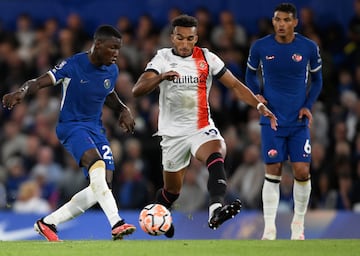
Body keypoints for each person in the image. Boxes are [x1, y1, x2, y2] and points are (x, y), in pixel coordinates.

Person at [132, 14, 278, 238]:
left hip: (200, 127)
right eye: (179, 38)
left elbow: (235, 85)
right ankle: (161, 218)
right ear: (172, 38)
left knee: (217, 149)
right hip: (172, 135)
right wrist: (160, 77)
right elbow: (138, 89)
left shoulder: (207, 58)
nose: (184, 44)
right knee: (172, 191)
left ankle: (215, 209)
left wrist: (258, 105)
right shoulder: (162, 58)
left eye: (189, 39)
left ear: (196, 38)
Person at [2, 25, 136, 241]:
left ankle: (48, 223)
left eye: (118, 49)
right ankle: (117, 223)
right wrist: (21, 92)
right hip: (72, 126)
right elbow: (38, 82)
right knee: (97, 167)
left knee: (101, 188)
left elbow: (108, 92)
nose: (116, 54)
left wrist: (123, 109)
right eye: (112, 48)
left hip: (96, 129)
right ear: (98, 44)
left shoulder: (112, 70)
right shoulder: (73, 65)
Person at [245, 3, 323, 240]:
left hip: (298, 121)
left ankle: (298, 225)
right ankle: (269, 229)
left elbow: (318, 80)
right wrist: (256, 93)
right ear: (273, 21)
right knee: (273, 170)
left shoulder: (308, 47)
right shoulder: (260, 46)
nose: (281, 24)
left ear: (295, 22)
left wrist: (308, 106)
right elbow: (249, 74)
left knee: (301, 171)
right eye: (277, 19)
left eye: (286, 20)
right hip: (272, 119)